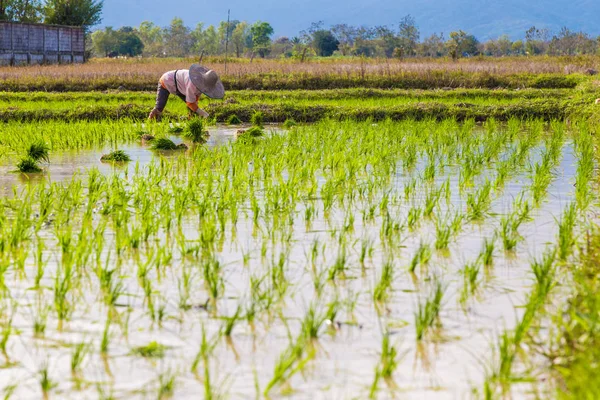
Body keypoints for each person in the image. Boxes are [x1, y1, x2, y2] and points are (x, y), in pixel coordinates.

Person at [148, 64, 225, 120]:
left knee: (193, 108)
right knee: (159, 108)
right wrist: (204, 114)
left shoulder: (202, 84)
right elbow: (190, 102)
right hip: (166, 81)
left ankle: (190, 121)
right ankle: (149, 122)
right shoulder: (193, 83)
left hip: (180, 86)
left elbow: (196, 97)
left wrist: (196, 106)